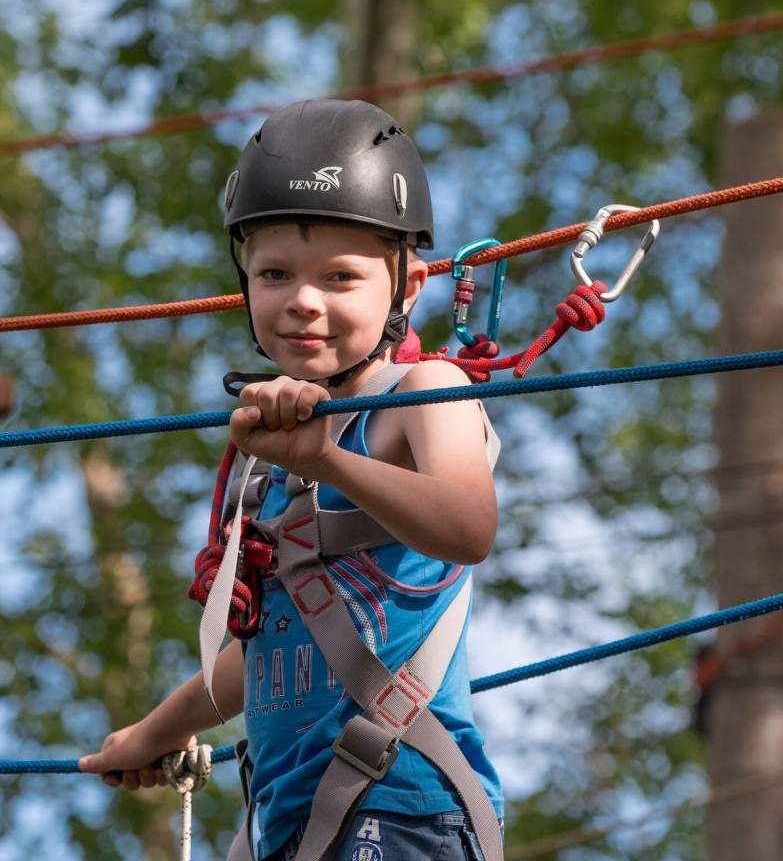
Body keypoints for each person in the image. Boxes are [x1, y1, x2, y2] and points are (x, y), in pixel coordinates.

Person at [79, 99, 504, 861]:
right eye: (275, 273)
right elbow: (278, 643)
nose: (304, 300)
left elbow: (469, 528)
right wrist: (153, 734)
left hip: (403, 811)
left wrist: (327, 460)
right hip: (286, 821)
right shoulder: (265, 454)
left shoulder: (423, 393)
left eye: (341, 277)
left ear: (408, 289)